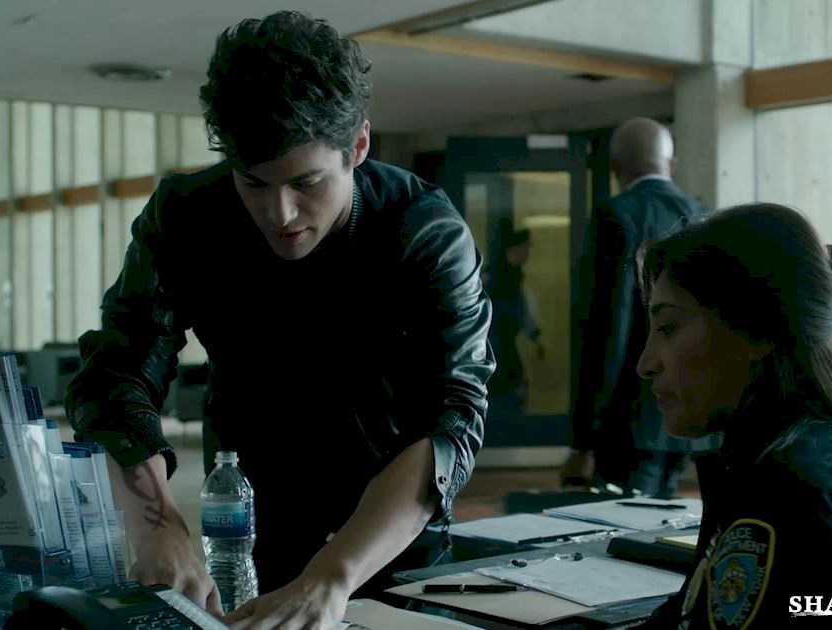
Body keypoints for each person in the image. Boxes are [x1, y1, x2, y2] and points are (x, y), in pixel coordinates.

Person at [63, 11, 494, 629]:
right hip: (244, 528)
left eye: (307, 183)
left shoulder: (425, 231)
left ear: (359, 147)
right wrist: (156, 526)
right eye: (255, 183)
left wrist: (332, 577)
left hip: (389, 542)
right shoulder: (185, 216)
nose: (280, 213)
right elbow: (115, 373)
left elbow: (454, 416)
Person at [631, 203, 832, 628]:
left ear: (757, 331)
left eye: (669, 328)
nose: (646, 363)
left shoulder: (791, 494)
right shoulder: (823, 458)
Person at [562, 117, 718, 499]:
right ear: (671, 165)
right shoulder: (706, 217)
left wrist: (584, 438)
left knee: (624, 522)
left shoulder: (616, 216)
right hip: (694, 411)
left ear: (616, 167)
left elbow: (605, 330)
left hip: (629, 420)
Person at [483, 218, 545, 419]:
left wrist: (534, 336)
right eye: (525, 247)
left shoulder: (511, 276)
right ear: (513, 250)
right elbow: (518, 311)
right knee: (509, 387)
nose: (527, 253)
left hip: (501, 344)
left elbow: (521, 310)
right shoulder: (500, 278)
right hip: (497, 344)